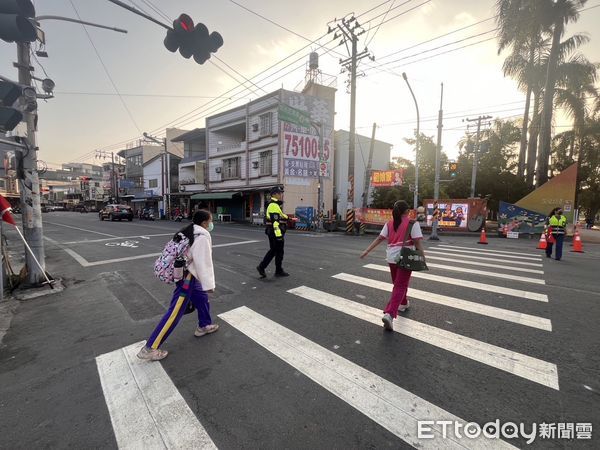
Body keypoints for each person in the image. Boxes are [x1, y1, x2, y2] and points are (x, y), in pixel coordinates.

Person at [137, 210, 218, 361]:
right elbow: (204, 263)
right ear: (205, 223)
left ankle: (204, 325)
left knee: (201, 298)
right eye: (211, 220)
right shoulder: (201, 237)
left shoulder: (189, 230)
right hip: (186, 278)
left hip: (186, 274)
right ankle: (150, 347)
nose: (212, 224)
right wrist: (209, 285)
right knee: (174, 312)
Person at [360, 200, 425, 331]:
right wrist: (422, 257)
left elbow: (379, 238)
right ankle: (390, 313)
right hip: (405, 257)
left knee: (399, 283)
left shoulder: (389, 224)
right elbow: (417, 243)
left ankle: (404, 303)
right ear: (407, 211)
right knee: (400, 285)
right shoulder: (413, 223)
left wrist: (367, 251)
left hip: (391, 257)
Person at [257, 187, 289, 278]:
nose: (281, 195)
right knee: (277, 251)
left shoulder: (275, 205)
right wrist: (279, 236)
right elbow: (275, 222)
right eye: (279, 193)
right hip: (275, 232)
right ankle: (271, 269)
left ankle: (267, 268)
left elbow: (281, 216)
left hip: (273, 232)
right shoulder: (273, 205)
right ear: (274, 194)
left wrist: (287, 218)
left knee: (275, 251)